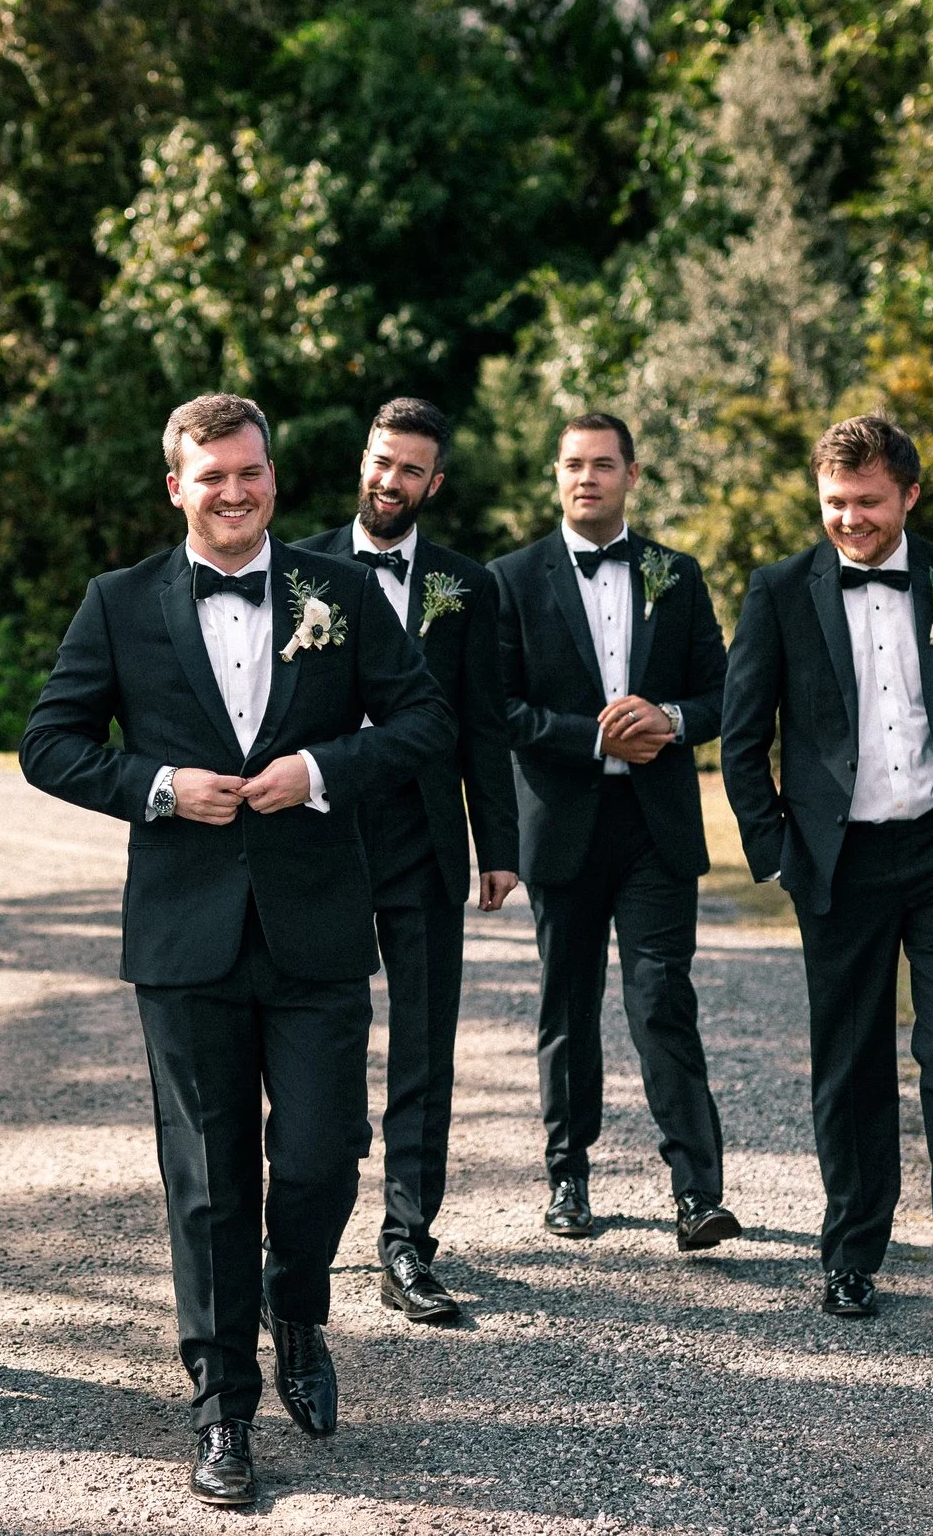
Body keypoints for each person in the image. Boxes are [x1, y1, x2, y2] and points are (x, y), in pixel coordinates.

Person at [20, 394, 450, 1507]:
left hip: (315, 926)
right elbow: (48, 743)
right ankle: (221, 1409)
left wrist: (319, 772)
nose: (233, 491)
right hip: (184, 934)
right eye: (209, 476)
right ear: (176, 486)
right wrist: (157, 787)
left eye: (249, 472)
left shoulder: (341, 595)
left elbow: (423, 724)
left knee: (319, 1156)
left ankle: (295, 1303)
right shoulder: (118, 603)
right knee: (206, 1180)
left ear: (272, 475)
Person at [718, 414, 933, 1329]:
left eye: (867, 503)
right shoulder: (778, 591)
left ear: (910, 496)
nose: (848, 520)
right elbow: (742, 739)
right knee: (849, 1059)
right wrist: (775, 848)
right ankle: (852, 1254)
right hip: (839, 859)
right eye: (834, 503)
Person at [489, 413, 739, 1251]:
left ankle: (697, 1190)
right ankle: (569, 1175)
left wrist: (667, 717)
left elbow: (721, 691)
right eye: (571, 465)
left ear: (633, 473)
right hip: (563, 824)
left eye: (602, 464)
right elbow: (501, 708)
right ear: (555, 476)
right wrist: (592, 734)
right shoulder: (512, 579)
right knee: (567, 1007)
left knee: (662, 998)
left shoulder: (678, 572)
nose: (586, 477)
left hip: (654, 827)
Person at [292, 398, 517, 1325]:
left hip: (425, 841)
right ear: (363, 460)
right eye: (382, 461)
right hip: (322, 838)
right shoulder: (293, 567)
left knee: (425, 1045)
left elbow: (484, 722)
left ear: (435, 483)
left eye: (412, 469)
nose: (392, 481)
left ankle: (407, 1241)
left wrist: (497, 844)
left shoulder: (466, 586)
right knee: (323, 1040)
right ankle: (313, 1206)